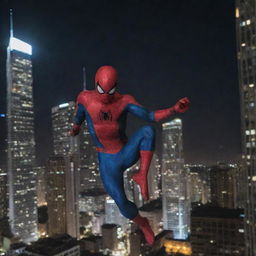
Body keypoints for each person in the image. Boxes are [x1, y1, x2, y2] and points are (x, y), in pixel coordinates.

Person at [70, 65, 190, 245]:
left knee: (148, 131)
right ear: (95, 85)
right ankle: (143, 223)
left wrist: (173, 109)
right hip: (107, 162)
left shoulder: (124, 101)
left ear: (116, 86)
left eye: (110, 90)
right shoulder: (85, 98)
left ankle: (142, 174)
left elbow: (150, 116)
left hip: (126, 152)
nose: (105, 95)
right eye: (101, 89)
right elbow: (79, 115)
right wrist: (76, 127)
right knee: (122, 205)